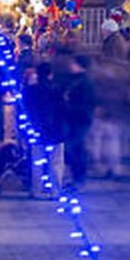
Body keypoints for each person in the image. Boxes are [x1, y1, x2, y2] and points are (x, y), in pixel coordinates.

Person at [56, 53, 96, 190]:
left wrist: (68, 105)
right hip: (72, 119)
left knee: (76, 148)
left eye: (73, 63)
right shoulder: (73, 80)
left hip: (80, 119)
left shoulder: (85, 83)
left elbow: (86, 104)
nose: (70, 66)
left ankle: (79, 177)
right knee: (75, 148)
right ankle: (76, 176)